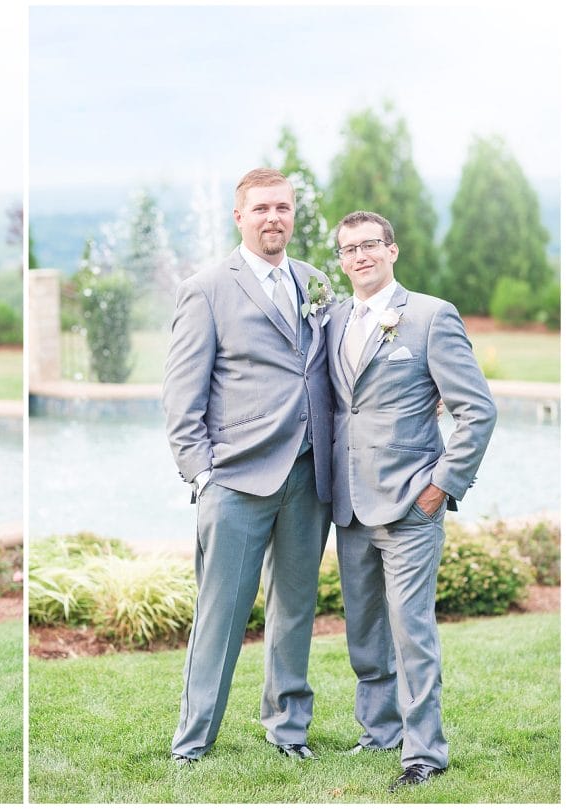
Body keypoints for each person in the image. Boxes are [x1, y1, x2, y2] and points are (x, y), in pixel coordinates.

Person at [162, 168, 334, 764]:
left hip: (309, 477)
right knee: (221, 617)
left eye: (282, 207)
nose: (273, 218)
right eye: (261, 208)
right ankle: (193, 741)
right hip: (235, 481)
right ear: (239, 216)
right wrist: (202, 474)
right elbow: (181, 395)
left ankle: (288, 730)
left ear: (293, 214)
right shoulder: (206, 288)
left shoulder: (315, 282)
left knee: (295, 611)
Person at [326, 211, 496, 792]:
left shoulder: (430, 316)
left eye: (370, 244)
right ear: (341, 260)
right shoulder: (334, 318)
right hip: (349, 504)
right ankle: (378, 732)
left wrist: (440, 486)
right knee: (364, 631)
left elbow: (478, 411)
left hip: (409, 504)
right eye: (349, 249)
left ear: (392, 250)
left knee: (411, 630)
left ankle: (424, 752)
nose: (360, 256)